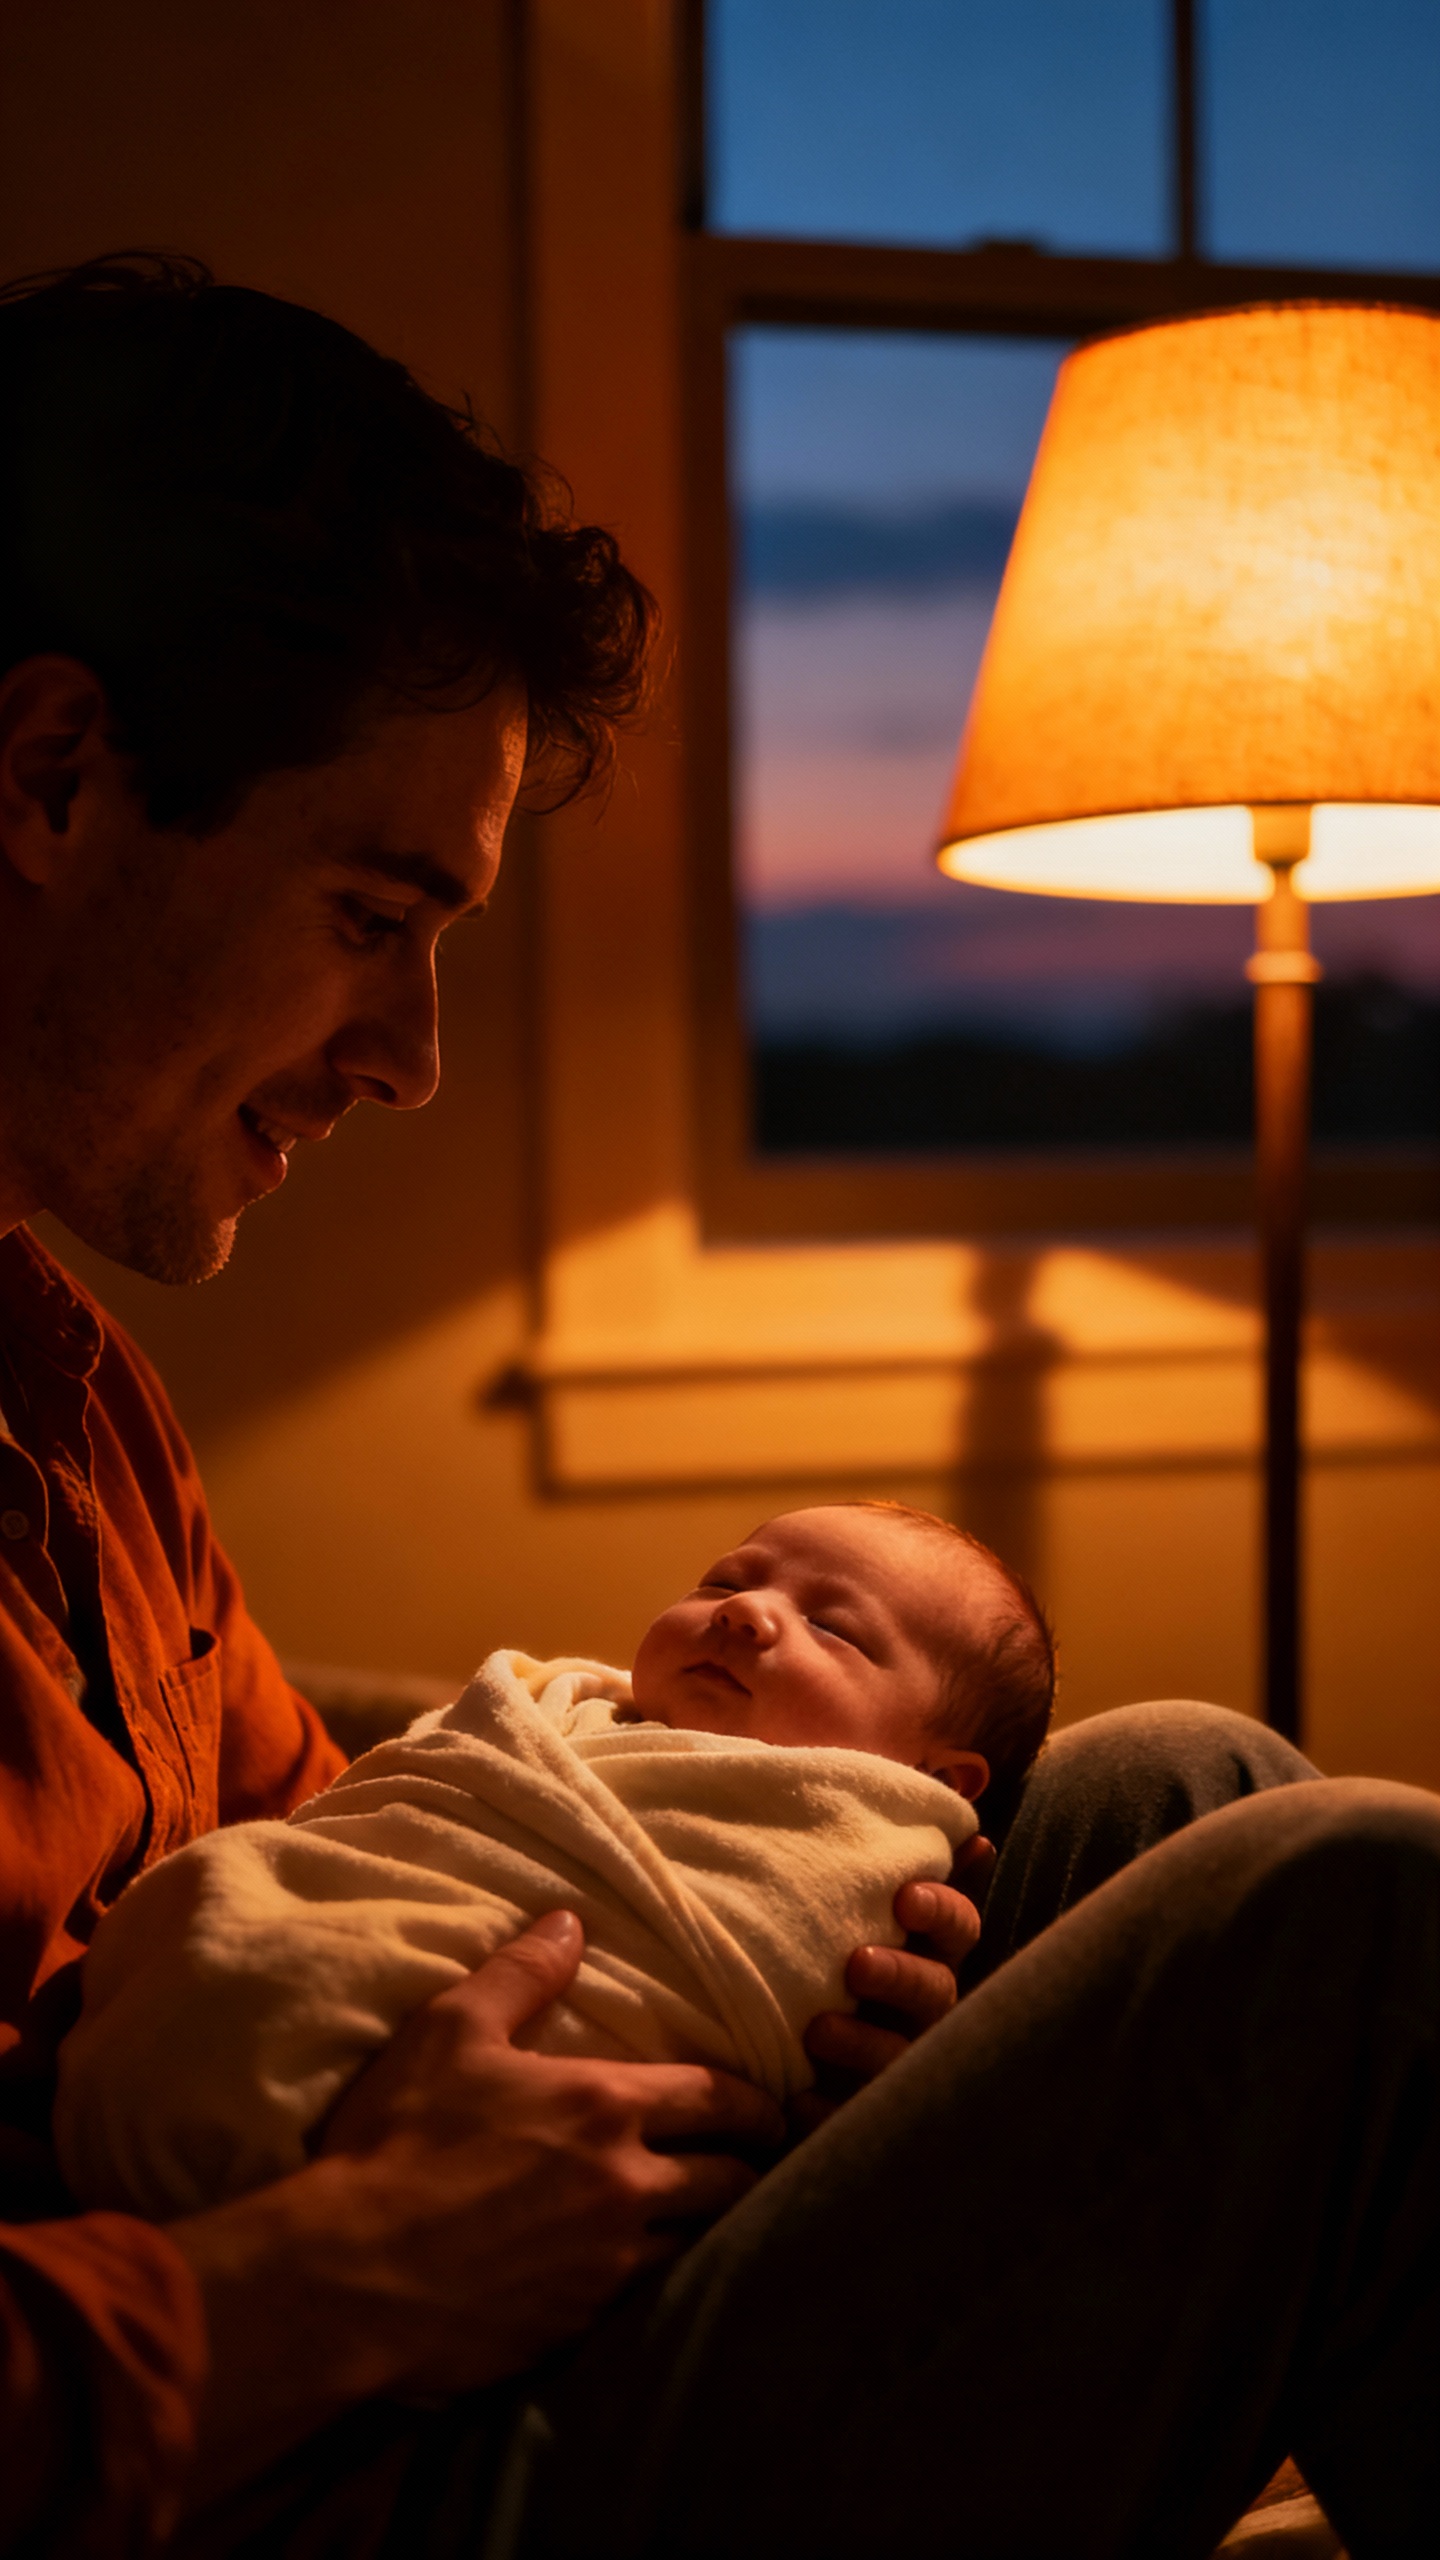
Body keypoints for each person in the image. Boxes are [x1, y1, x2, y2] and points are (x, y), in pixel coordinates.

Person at [0, 255, 1435, 2560]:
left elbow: (295, 1831)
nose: (413, 1051)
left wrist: (731, 1936)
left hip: (375, 2232)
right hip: (287, 2455)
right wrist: (324, 2266)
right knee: (1357, 1915)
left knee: (1167, 1784)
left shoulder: (67, 1395)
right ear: (56, 774)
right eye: (376, 910)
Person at [55, 1502, 1050, 2217]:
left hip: (606, 2029)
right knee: (1189, 1793)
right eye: (728, 1580)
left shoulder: (99, 1400)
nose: (747, 1613)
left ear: (941, 1780)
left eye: (834, 1627)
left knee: (1154, 1760)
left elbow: (310, 1791)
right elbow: (407, 1803)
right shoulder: (560, 1707)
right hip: (332, 2205)